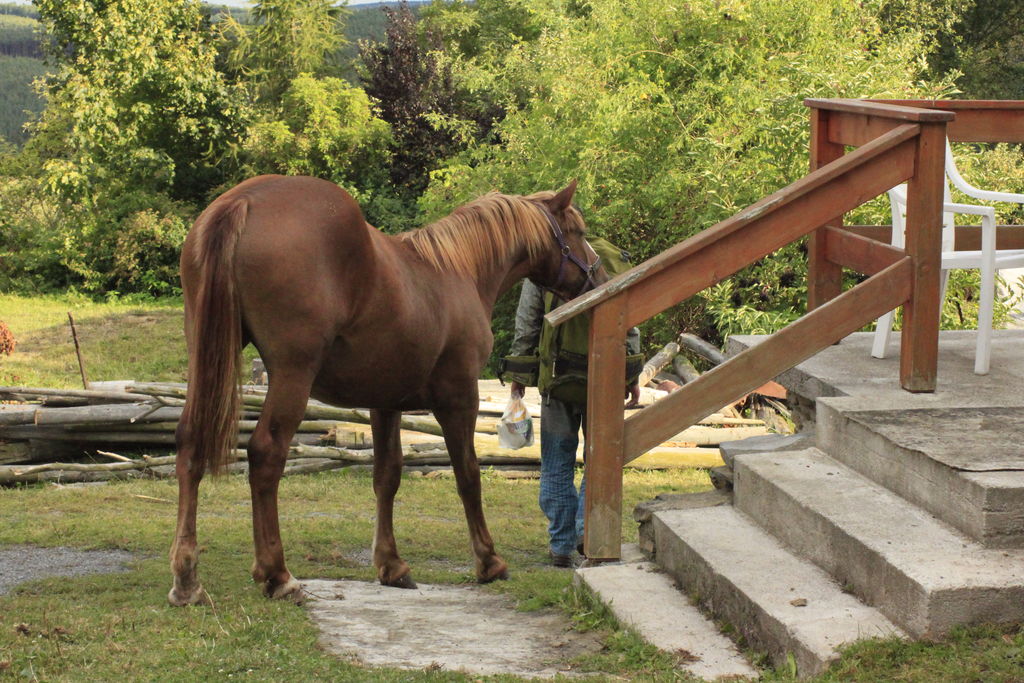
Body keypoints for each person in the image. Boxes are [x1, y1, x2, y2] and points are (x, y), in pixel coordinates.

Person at [505, 243, 641, 567]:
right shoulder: (613, 260)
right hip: (605, 383)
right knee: (600, 462)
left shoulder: (543, 270)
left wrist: (519, 374)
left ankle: (561, 547)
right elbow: (631, 324)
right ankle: (587, 533)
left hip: (558, 384)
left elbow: (527, 326)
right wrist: (632, 375)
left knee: (556, 465)